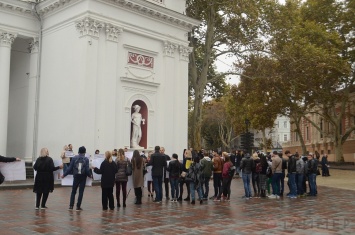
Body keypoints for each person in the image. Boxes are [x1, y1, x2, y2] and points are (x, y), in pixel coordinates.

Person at [62, 146, 92, 211]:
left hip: (76, 176)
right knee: (81, 192)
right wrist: (90, 175)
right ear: (84, 152)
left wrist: (64, 175)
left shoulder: (74, 158)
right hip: (83, 177)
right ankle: (78, 206)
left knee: (73, 191)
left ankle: (71, 206)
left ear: (78, 151)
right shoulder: (86, 159)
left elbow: (69, 168)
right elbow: (87, 169)